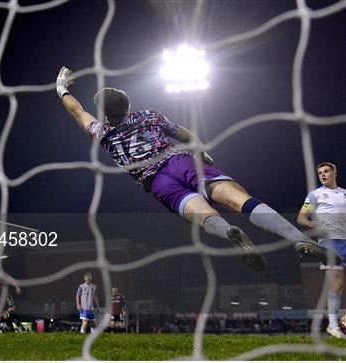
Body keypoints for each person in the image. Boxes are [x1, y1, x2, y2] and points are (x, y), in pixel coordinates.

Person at [55, 66, 338, 271]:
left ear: (105, 112)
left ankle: (228, 232)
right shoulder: (150, 116)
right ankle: (298, 238)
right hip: (181, 162)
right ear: (128, 106)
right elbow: (185, 134)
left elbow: (76, 111)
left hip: (157, 182)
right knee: (239, 199)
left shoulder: (102, 132)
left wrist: (61, 87)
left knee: (203, 216)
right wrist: (203, 153)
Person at [297, 162, 346, 338]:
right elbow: (301, 217)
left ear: (335, 172)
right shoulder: (315, 195)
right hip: (328, 242)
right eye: (320, 173)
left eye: (326, 171)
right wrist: (312, 223)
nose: (323, 175)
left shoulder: (344, 194)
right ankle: (333, 326)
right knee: (337, 282)